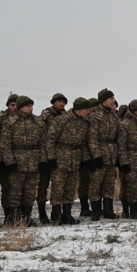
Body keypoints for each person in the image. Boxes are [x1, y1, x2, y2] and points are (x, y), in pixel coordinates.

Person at [0, 96, 47, 226]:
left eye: (32, 106)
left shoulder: (37, 122)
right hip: (17, 162)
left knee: (30, 192)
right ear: (21, 107)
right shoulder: (10, 122)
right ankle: (14, 218)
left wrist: (43, 160)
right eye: (28, 106)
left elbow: (43, 143)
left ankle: (26, 218)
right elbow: (5, 144)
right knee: (15, 192)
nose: (31, 108)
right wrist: (9, 162)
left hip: (34, 161)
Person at [45, 98, 92, 225]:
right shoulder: (61, 120)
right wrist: (51, 158)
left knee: (70, 188)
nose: (89, 111)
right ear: (80, 109)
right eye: (88, 109)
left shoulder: (84, 122)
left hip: (75, 159)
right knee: (58, 188)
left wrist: (85, 159)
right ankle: (56, 216)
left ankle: (67, 215)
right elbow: (49, 140)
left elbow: (83, 143)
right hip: (60, 157)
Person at [87, 88, 119, 221]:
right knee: (95, 184)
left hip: (112, 154)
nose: (113, 100)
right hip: (100, 153)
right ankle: (95, 211)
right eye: (111, 98)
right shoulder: (94, 116)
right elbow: (91, 137)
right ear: (104, 100)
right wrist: (96, 155)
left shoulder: (113, 115)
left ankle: (108, 210)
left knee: (109, 184)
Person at [37, 93, 67, 224]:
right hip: (45, 154)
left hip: (59, 155)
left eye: (63, 102)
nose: (62, 104)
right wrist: (44, 157)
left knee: (58, 185)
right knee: (43, 186)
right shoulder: (46, 115)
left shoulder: (65, 116)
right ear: (53, 102)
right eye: (59, 101)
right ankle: (42, 214)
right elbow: (41, 136)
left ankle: (57, 213)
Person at [76, 97, 100, 218]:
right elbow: (84, 141)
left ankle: (92, 208)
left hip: (90, 157)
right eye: (91, 108)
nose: (92, 111)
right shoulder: (85, 121)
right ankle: (84, 208)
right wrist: (85, 158)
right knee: (84, 183)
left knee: (91, 183)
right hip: (80, 157)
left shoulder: (90, 120)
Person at [0, 94, 19, 222]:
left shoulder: (21, 117)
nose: (15, 107)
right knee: (6, 187)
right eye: (12, 105)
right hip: (4, 158)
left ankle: (18, 215)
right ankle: (8, 216)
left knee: (17, 188)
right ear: (7, 105)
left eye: (17, 105)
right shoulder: (1, 118)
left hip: (19, 158)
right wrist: (0, 159)